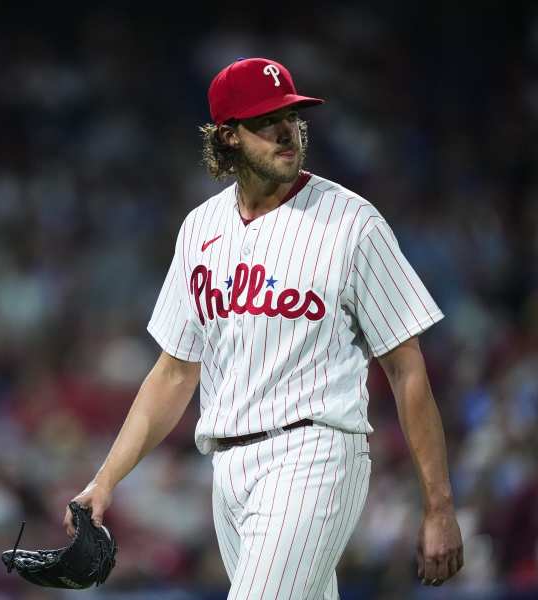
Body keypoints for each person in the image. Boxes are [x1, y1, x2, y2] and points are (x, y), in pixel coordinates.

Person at [64, 57, 464, 598]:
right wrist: (105, 480)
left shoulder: (352, 223)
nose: (286, 131)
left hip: (315, 453)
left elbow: (406, 369)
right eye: (265, 120)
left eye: (292, 116)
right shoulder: (200, 229)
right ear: (228, 137)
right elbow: (174, 373)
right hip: (228, 469)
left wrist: (438, 505)